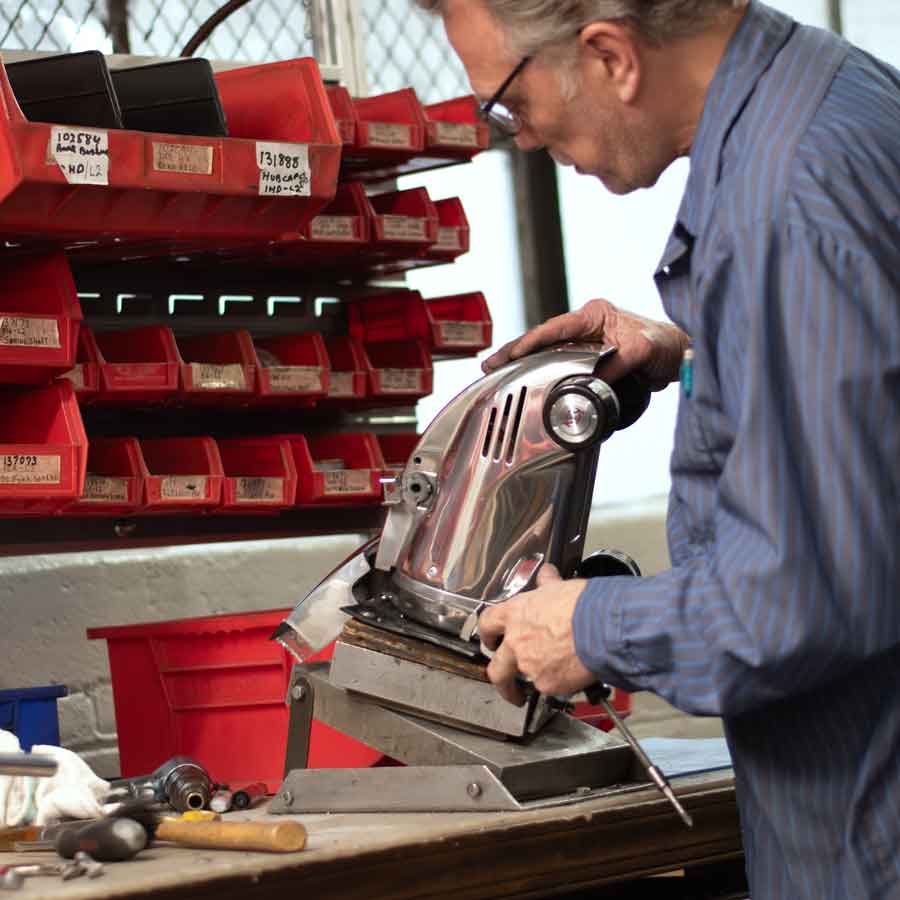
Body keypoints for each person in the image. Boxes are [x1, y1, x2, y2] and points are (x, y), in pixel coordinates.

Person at [413, 1, 900, 897]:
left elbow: (806, 593)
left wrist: (588, 627)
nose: (519, 139)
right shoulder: (834, 96)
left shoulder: (785, 200)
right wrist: (700, 356)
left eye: (511, 106)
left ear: (610, 57)